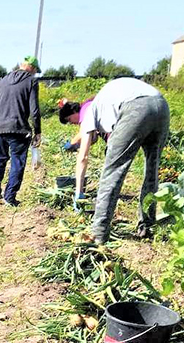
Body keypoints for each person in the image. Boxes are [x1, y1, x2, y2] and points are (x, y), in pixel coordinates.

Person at [58, 78, 170, 243]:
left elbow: (83, 157)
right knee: (152, 169)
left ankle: (98, 233)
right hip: (161, 105)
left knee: (112, 171)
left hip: (136, 108)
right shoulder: (103, 102)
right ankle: (147, 225)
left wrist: (79, 192)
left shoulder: (89, 112)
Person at [0, 56, 41, 206]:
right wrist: (38, 132)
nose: (35, 74)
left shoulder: (3, 80)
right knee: (17, 162)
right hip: (18, 129)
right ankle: (9, 197)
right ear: (32, 68)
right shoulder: (32, 81)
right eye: (35, 71)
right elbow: (34, 110)